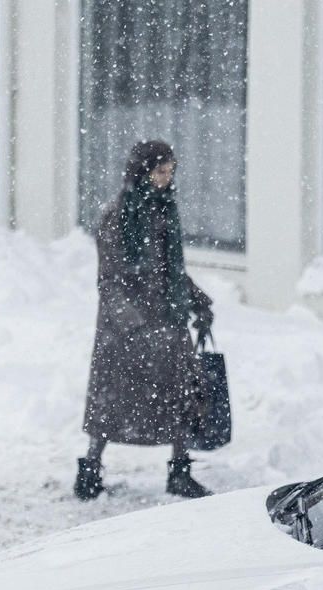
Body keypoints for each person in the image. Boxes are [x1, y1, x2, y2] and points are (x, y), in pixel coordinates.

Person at [76, 140, 215, 501]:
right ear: (142, 173)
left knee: (179, 397)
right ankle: (90, 469)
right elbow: (108, 280)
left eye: (171, 172)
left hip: (167, 322)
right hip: (124, 332)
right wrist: (134, 324)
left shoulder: (166, 211)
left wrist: (199, 302)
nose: (167, 179)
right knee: (113, 404)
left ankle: (180, 472)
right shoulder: (117, 216)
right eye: (160, 172)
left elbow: (172, 270)